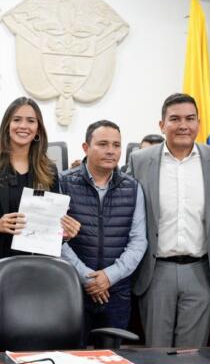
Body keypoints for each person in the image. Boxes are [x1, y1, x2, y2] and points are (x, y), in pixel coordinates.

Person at [0, 96, 80, 338]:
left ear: (38, 129)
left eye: (30, 121)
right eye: (17, 120)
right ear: (7, 125)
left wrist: (64, 233)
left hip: (33, 273)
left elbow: (53, 225)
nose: (23, 126)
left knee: (28, 343)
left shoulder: (48, 169)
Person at [129, 93, 210, 348]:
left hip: (202, 272)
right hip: (156, 271)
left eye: (190, 118)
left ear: (199, 123)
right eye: (174, 119)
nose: (183, 125)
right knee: (156, 354)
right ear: (162, 125)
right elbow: (128, 208)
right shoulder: (140, 160)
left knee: (191, 357)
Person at [60, 120, 147, 342]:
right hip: (72, 288)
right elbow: (55, 239)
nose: (111, 151)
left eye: (116, 145)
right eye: (103, 144)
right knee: (70, 360)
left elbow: (138, 242)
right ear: (86, 148)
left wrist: (109, 276)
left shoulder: (133, 187)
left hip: (115, 292)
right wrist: (87, 278)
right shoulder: (63, 183)